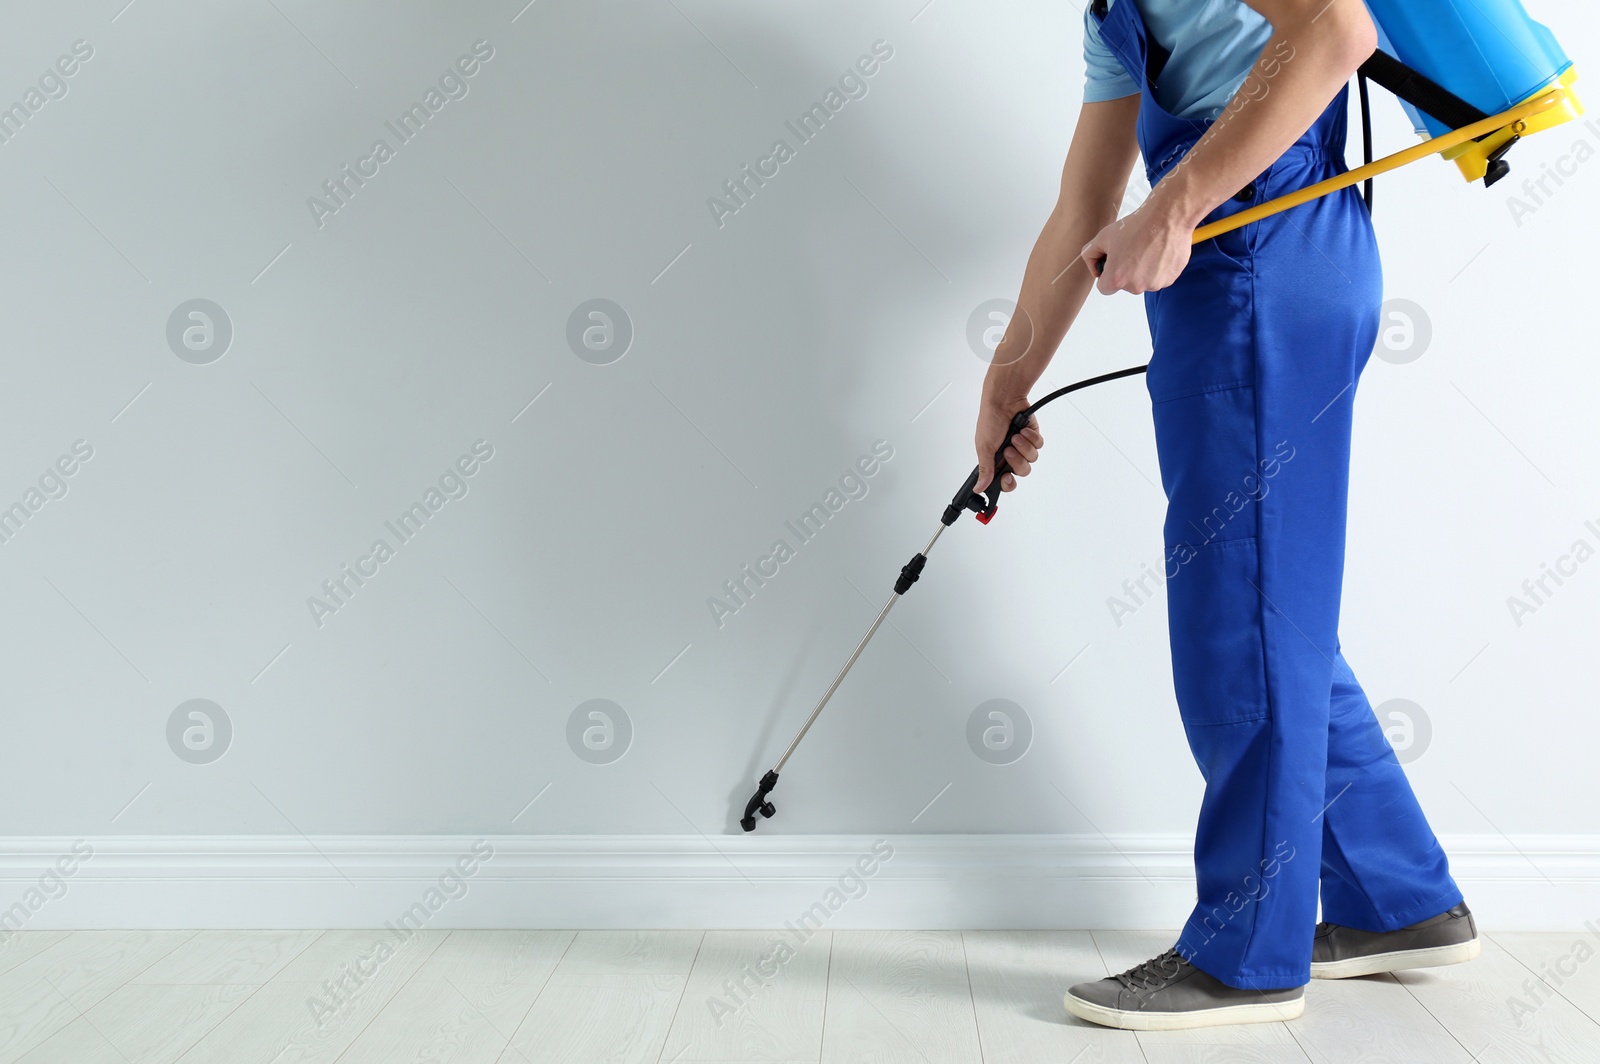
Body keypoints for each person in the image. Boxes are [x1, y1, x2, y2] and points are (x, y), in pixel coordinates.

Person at [971, 0, 1479, 1030]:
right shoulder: (1112, 14)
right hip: (1255, 269)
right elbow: (1082, 205)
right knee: (1268, 605)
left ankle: (1248, 951)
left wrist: (1177, 202)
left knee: (1235, 614)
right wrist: (1007, 378)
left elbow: (1337, 29)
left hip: (1262, 258)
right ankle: (1396, 898)